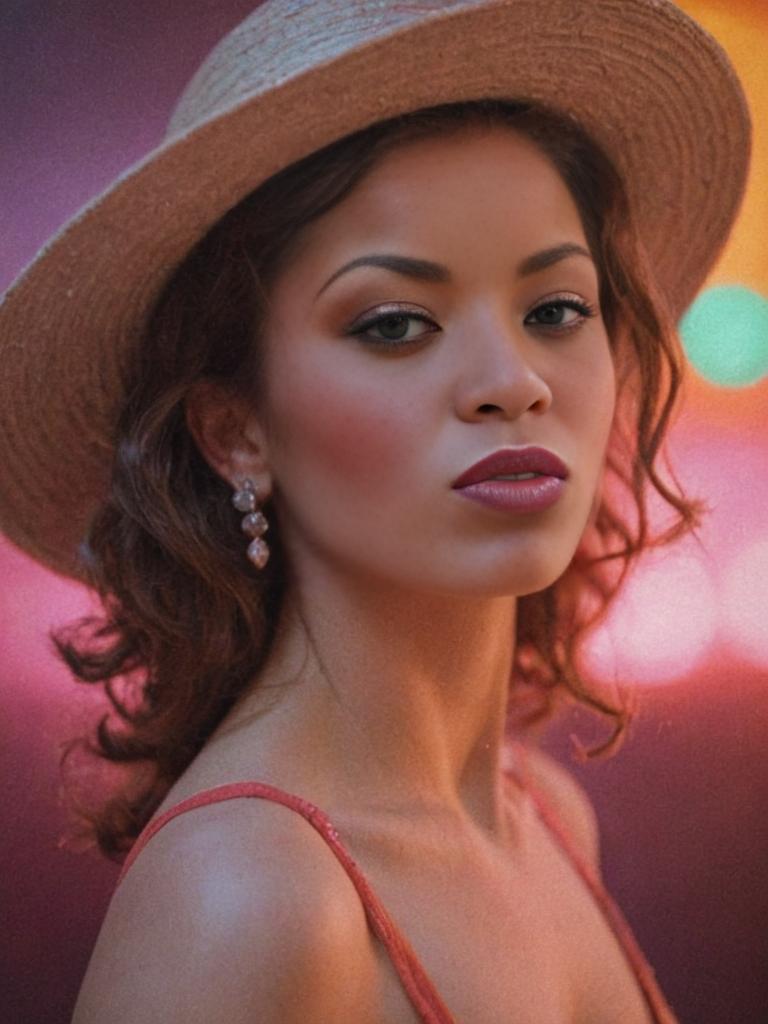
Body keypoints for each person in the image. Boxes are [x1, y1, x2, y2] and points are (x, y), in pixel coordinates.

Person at [0, 1, 750, 1022]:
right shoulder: (249, 898)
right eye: (396, 323)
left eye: (555, 310)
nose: (511, 380)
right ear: (235, 430)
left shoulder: (550, 820)